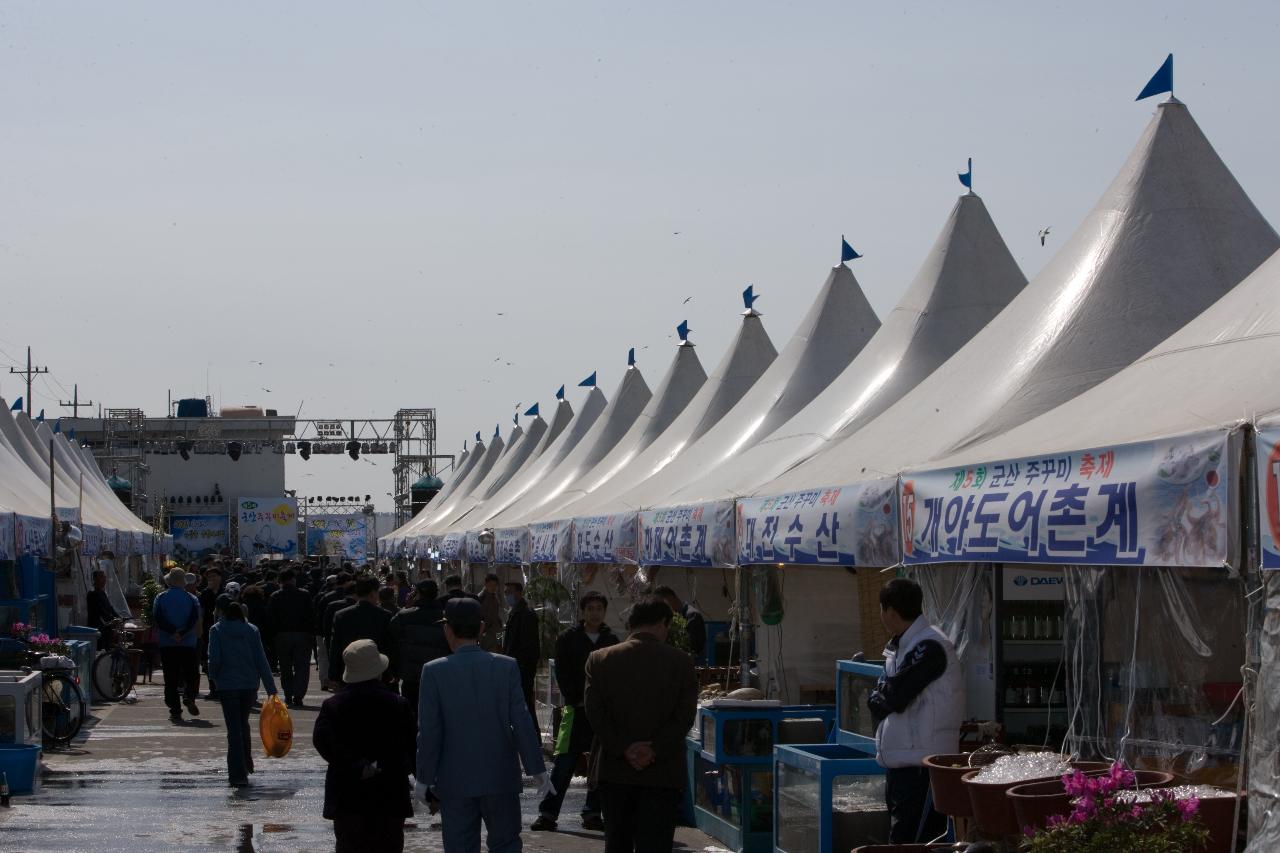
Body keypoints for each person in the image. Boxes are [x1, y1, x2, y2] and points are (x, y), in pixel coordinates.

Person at [417, 598, 550, 853]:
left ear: (447, 629)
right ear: (480, 628)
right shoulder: (506, 666)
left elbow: (430, 732)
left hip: (455, 780)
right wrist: (538, 770)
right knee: (506, 844)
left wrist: (424, 777)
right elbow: (522, 722)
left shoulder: (433, 672)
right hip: (500, 777)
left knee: (459, 846)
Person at [584, 596, 699, 853]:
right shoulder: (682, 662)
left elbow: (595, 714)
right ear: (661, 624)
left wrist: (624, 748)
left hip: (615, 770)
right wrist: (654, 749)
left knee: (617, 842)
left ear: (631, 625)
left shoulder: (599, 659)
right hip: (662, 773)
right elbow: (684, 717)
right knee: (656, 844)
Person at [868, 578, 962, 844]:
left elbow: (893, 697)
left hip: (922, 767)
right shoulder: (903, 646)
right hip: (903, 763)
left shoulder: (929, 645)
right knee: (903, 838)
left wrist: (879, 698)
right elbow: (884, 695)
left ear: (890, 613)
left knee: (912, 841)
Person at [313, 639, 415, 852]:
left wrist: (356, 765)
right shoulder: (397, 704)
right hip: (389, 794)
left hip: (347, 794)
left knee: (350, 845)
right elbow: (410, 744)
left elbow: (323, 741)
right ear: (378, 671)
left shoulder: (333, 705)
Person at [532, 591, 618, 833]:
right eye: (590, 608)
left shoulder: (611, 640)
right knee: (564, 763)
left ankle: (592, 813)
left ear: (604, 611)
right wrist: (576, 699)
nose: (594, 612)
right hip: (575, 710)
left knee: (599, 764)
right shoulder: (569, 638)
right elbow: (562, 672)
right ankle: (548, 813)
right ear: (583, 611)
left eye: (599, 608)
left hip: (602, 713)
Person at [206, 593, 278, 786]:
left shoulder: (217, 630)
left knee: (234, 730)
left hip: (227, 686)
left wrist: (213, 678)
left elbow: (214, 659)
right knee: (243, 724)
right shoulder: (251, 630)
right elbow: (261, 660)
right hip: (248, 685)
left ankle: (237, 775)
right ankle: (246, 762)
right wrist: (271, 688)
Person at [387, 579, 450, 714]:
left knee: (411, 713)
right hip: (439, 674)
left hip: (411, 676)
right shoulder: (446, 617)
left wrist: (407, 606)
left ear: (417, 594)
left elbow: (391, 635)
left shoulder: (405, 615)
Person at [153, 567, 203, 722]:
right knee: (192, 674)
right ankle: (189, 697)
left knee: (171, 677)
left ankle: (175, 709)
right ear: (184, 582)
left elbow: (158, 618)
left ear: (169, 581)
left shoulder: (160, 598)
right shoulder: (192, 598)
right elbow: (194, 619)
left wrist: (172, 632)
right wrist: (181, 633)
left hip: (167, 643)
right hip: (188, 642)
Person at [328, 576, 397, 689]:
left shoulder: (341, 615)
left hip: (349, 670)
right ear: (373, 593)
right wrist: (392, 672)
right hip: (377, 671)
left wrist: (333, 675)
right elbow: (390, 646)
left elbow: (335, 646)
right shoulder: (385, 615)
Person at [268, 568, 315, 709]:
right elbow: (311, 616)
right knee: (302, 667)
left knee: (285, 667)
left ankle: (288, 694)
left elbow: (270, 618)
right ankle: (299, 695)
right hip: (302, 635)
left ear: (280, 581)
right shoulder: (305, 595)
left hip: (282, 636)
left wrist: (273, 636)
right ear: (293, 579)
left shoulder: (275, 596)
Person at [501, 581, 541, 734]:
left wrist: (523, 666)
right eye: (505, 593)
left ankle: (532, 734)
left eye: (509, 592)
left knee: (524, 702)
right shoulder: (515, 612)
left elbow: (529, 644)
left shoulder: (525, 614)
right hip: (515, 665)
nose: (507, 596)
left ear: (519, 593)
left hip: (522, 667)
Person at [654, 585, 706, 662]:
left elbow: (695, 647)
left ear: (670, 598)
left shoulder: (692, 616)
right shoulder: (672, 616)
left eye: (662, 603)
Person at [86, 569, 120, 650]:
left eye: (105, 577)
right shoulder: (92, 594)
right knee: (100, 650)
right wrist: (112, 618)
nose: (104, 580)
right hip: (96, 628)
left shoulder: (102, 593)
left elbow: (109, 608)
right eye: (101, 577)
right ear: (95, 579)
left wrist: (118, 617)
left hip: (105, 628)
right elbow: (100, 611)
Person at [476, 573, 503, 652]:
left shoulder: (494, 597)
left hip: (496, 631)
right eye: (491, 585)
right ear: (486, 584)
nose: (493, 588)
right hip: (487, 634)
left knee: (498, 652)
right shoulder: (481, 597)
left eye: (495, 585)